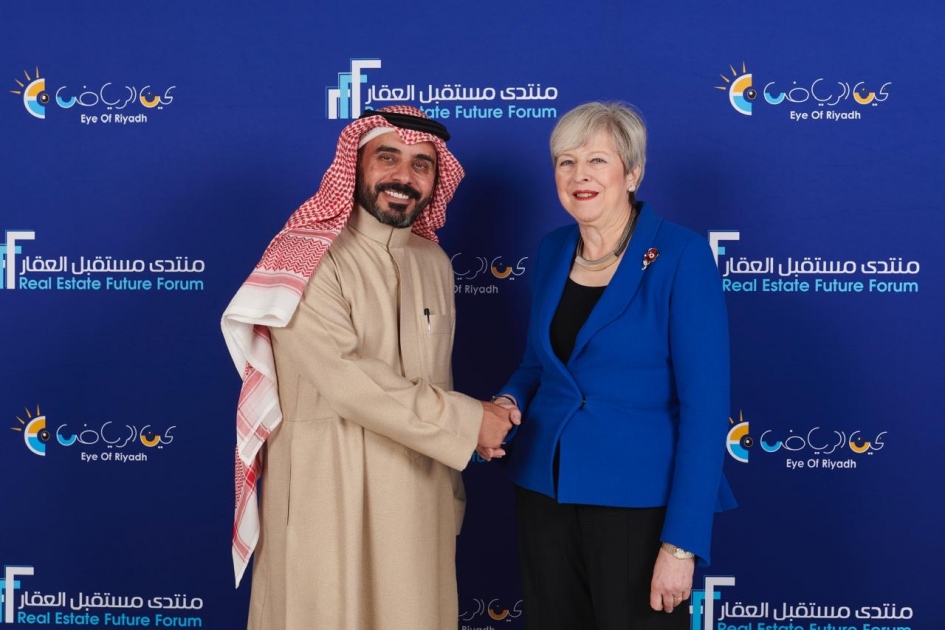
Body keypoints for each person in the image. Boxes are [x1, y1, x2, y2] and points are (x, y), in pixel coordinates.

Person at [221, 105, 518, 630]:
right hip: (328, 492)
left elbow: (435, 380)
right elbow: (349, 381)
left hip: (419, 495)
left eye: (421, 164)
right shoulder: (305, 256)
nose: (404, 176)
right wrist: (471, 422)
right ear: (356, 165)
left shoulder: (433, 262)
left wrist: (454, 480)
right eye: (388, 158)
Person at [488, 101, 736, 629]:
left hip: (639, 506)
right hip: (545, 493)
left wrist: (682, 544)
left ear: (633, 173)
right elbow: (538, 365)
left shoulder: (682, 256)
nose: (580, 175)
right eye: (566, 162)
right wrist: (508, 400)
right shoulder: (552, 250)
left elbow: (706, 411)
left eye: (597, 161)